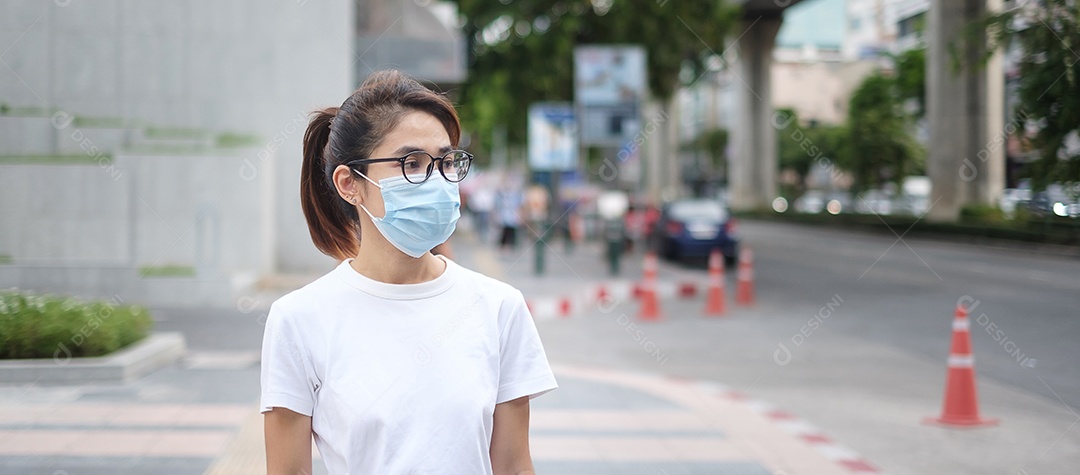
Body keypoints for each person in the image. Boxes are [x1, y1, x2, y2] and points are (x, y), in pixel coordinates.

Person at [261, 70, 558, 475]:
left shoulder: (499, 308)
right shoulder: (299, 319)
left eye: (446, 161)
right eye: (412, 163)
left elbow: (514, 466)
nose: (436, 179)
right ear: (350, 183)